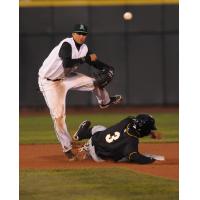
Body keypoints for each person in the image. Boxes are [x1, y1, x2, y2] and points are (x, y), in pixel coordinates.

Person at [38, 23, 122, 161]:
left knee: (96, 83)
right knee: (58, 117)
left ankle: (105, 102)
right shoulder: (66, 44)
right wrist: (85, 59)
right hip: (50, 82)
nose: (82, 36)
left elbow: (94, 62)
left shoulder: (84, 48)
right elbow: (67, 63)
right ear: (73, 34)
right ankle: (67, 148)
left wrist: (109, 68)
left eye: (84, 34)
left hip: (66, 77)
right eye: (79, 33)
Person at [73, 114, 162, 164]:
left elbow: (136, 124)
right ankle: (89, 153)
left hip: (94, 140)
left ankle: (82, 134)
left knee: (100, 128)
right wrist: (152, 160)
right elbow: (135, 157)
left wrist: (150, 133)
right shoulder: (131, 141)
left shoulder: (128, 120)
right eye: (149, 129)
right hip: (99, 158)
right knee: (127, 157)